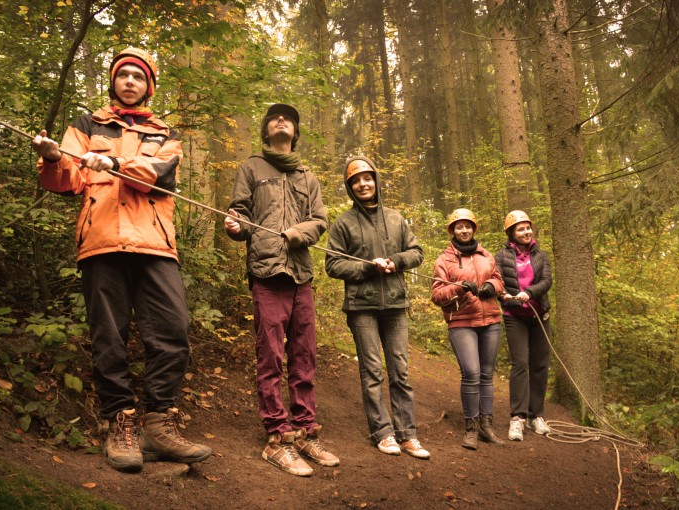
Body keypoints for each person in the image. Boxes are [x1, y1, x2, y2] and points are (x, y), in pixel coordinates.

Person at [31, 47, 211, 473]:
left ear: (149, 86)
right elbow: (70, 180)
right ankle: (120, 423)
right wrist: (55, 157)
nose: (130, 81)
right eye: (123, 75)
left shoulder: (165, 131)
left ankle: (158, 423)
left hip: (155, 244)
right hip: (102, 239)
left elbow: (162, 176)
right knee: (109, 335)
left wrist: (113, 161)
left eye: (138, 76)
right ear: (113, 81)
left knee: (172, 328)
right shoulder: (86, 124)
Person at [223, 103, 338, 477]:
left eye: (288, 117)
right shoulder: (251, 168)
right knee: (270, 357)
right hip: (266, 274)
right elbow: (239, 214)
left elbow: (320, 220)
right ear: (266, 130)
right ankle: (278, 437)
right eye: (274, 118)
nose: (281, 120)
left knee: (304, 358)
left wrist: (297, 234)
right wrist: (235, 226)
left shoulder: (308, 176)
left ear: (296, 131)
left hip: (301, 276)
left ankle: (306, 431)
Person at [325, 156, 430, 460]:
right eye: (355, 181)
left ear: (376, 180)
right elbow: (332, 264)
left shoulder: (396, 218)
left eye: (367, 178)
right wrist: (367, 268)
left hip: (396, 304)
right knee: (372, 371)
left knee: (401, 371)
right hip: (362, 307)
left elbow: (416, 252)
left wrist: (396, 261)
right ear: (350, 187)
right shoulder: (343, 223)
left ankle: (408, 434)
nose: (363, 184)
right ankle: (383, 432)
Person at [431, 209, 505, 449]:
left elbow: (499, 279)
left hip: (491, 320)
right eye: (459, 227)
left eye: (468, 226)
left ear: (474, 228)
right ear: (452, 230)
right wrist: (460, 288)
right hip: (461, 321)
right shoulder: (445, 260)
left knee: (486, 374)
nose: (464, 230)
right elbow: (437, 294)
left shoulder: (486, 255)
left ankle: (487, 425)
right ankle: (471, 428)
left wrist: (492, 286)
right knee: (471, 373)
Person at [495, 210, 553, 441]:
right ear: (511, 233)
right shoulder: (501, 257)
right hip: (515, 316)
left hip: (540, 316)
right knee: (520, 364)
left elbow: (547, 280)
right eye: (520, 229)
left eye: (528, 227)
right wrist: (506, 296)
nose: (526, 231)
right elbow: (498, 281)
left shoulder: (541, 255)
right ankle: (517, 417)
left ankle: (535, 415)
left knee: (540, 365)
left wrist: (529, 293)